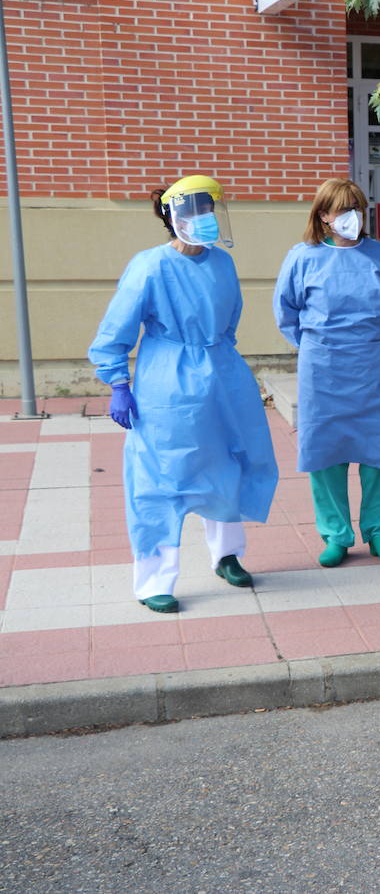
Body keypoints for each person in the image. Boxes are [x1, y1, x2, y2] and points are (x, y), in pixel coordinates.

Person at [89, 175, 278, 614]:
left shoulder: (221, 263)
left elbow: (229, 319)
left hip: (222, 373)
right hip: (167, 380)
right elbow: (115, 330)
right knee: (160, 477)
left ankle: (226, 554)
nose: (206, 218)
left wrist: (219, 360)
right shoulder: (150, 265)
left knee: (227, 462)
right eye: (195, 210)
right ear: (173, 217)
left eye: (210, 208)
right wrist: (118, 383)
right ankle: (155, 578)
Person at [273, 178, 380, 568]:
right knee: (325, 452)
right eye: (342, 210)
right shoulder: (303, 257)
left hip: (373, 365)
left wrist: (372, 339)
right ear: (323, 216)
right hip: (323, 367)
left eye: (358, 208)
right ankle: (335, 535)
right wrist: (319, 344)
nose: (352, 217)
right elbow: (287, 311)